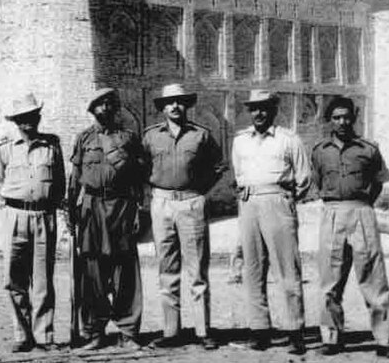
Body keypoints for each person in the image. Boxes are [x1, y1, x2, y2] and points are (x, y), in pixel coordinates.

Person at [311, 96, 389, 359]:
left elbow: (379, 182)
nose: (342, 122)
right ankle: (331, 338)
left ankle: (384, 339)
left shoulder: (368, 149)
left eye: (346, 116)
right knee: (330, 279)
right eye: (336, 117)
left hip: (362, 211)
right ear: (330, 119)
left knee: (373, 277)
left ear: (354, 117)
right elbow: (317, 180)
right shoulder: (319, 150)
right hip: (331, 214)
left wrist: (363, 204)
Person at [142, 83, 226, 350]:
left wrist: (201, 190)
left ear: (186, 105)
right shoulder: (151, 136)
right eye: (170, 102)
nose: (175, 106)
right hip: (162, 203)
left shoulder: (200, 135)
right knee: (167, 268)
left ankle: (203, 330)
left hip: (191, 202)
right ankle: (171, 331)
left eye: (180, 101)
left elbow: (218, 165)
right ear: (162, 108)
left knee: (197, 269)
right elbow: (140, 166)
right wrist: (152, 194)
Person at [231, 89, 311, 355]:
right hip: (249, 202)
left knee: (287, 268)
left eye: (264, 107)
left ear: (274, 110)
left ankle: (295, 331)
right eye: (254, 108)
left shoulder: (289, 139)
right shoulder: (240, 141)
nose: (259, 113)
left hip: (278, 200)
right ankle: (259, 330)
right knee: (253, 269)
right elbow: (238, 173)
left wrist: (283, 199)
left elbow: (303, 179)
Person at [66, 88, 145, 351]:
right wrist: (71, 212)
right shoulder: (83, 138)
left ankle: (129, 331)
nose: (106, 108)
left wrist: (137, 210)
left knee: (125, 271)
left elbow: (137, 178)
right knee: (93, 273)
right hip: (92, 207)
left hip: (122, 206)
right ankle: (94, 331)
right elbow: (75, 177)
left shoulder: (129, 138)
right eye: (101, 105)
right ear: (93, 110)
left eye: (111, 104)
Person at [0, 93, 65, 353]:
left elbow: (59, 184)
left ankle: (44, 335)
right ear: (15, 122)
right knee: (14, 279)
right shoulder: (4, 149)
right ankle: (22, 335)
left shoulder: (52, 145)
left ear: (38, 117)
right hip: (14, 217)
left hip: (44, 216)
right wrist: (10, 212)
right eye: (22, 119)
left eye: (31, 117)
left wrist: (48, 209)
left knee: (43, 280)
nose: (27, 123)